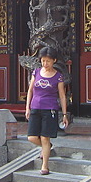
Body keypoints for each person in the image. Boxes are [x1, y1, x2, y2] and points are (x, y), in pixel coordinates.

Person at [25, 46, 69, 175]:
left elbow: (62, 95)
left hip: (50, 109)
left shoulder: (58, 77)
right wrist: (27, 107)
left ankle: (45, 166)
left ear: (54, 60)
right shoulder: (36, 72)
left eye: (48, 61)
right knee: (32, 137)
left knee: (45, 137)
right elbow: (30, 90)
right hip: (35, 107)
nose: (45, 64)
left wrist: (64, 114)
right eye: (43, 61)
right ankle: (47, 148)